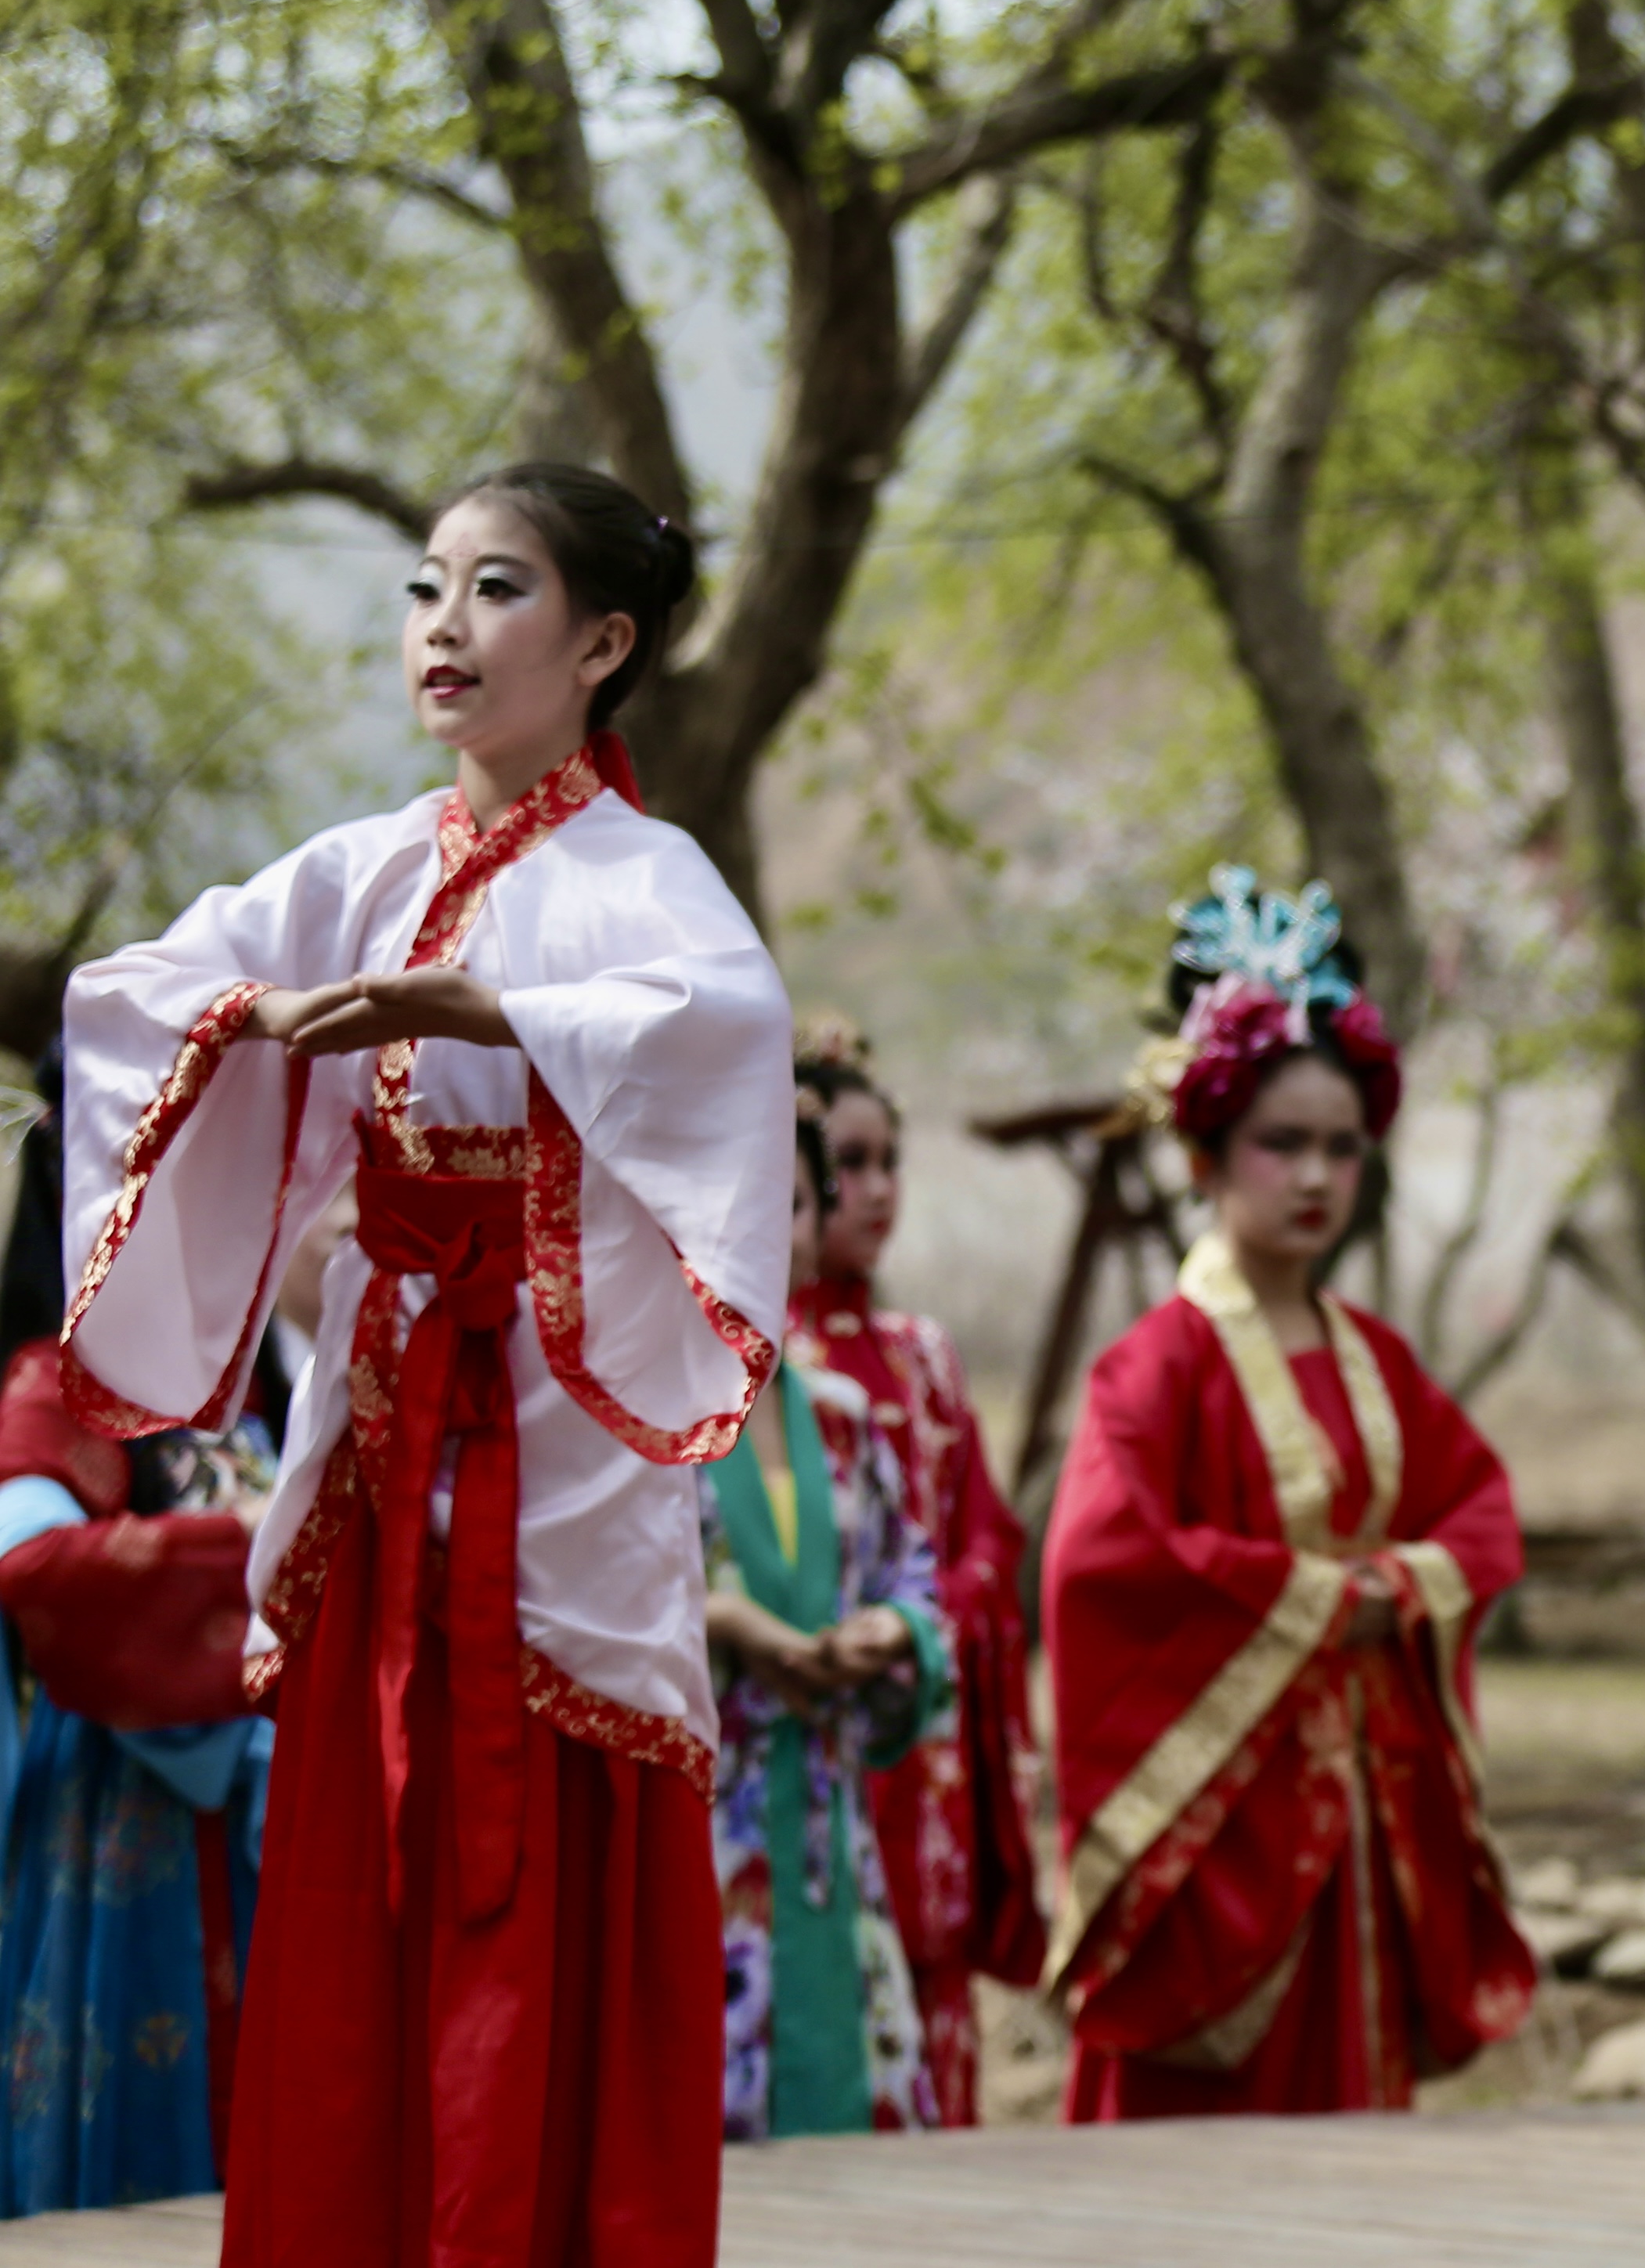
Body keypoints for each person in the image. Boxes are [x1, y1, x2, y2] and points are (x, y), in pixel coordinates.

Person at [56, 460, 790, 2265]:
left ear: (604, 644)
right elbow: (132, 994)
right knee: (367, 1810)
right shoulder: (369, 868)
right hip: (390, 1415)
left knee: (540, 1807)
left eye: (498, 588)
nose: (444, 626)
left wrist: (492, 1011)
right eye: (425, 587)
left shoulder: (649, 878)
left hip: (554, 1432)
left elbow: (725, 1032)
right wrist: (249, 1015)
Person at [1041, 870, 1533, 2118]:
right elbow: (1110, 1565)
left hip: (1362, 1813)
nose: (1316, 1176)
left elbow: (1477, 1509)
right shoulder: (1152, 1369)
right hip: (1219, 1834)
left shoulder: (1379, 1360)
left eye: (1341, 1147)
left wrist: (1397, 1587)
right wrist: (1324, 1600)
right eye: (1282, 1143)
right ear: (1205, 1152)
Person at [0, 1041, 274, 2215]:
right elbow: (31, 1565)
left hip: (253, 1799)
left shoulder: (230, 1385)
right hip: (128, 1808)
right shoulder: (53, 1380)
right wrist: (248, 1542)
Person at [786, 1022, 1045, 2122]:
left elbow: (987, 1532)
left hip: (919, 1702)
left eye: (890, 1161)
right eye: (849, 1164)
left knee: (930, 1987)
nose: (877, 1188)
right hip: (802, 1702)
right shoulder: (749, 1359)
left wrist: (925, 1617)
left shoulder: (922, 1353)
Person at [705, 1106, 954, 2138]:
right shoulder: (632, 1412)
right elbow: (587, 1595)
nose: (762, 1227)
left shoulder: (844, 1416)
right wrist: (727, 1623)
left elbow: (915, 1573)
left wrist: (892, 1633)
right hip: (702, 1830)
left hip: (829, 1832)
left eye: (792, 1202)